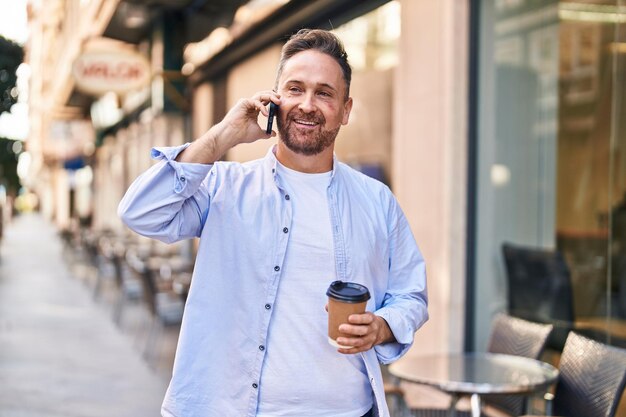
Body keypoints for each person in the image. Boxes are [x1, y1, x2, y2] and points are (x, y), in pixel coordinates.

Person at [118, 28, 428, 417]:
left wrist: (382, 326)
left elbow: (411, 294)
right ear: (274, 99)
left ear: (345, 110)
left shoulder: (377, 200)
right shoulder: (224, 186)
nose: (308, 104)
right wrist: (221, 138)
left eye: (324, 93)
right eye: (295, 89)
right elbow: (140, 212)